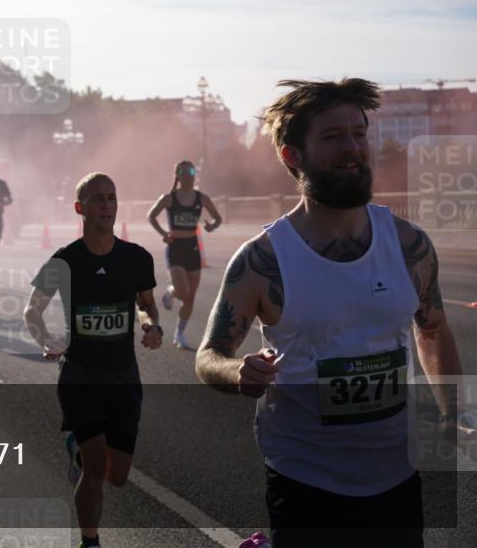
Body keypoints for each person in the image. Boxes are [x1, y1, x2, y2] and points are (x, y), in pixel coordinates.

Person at [195, 78, 469, 548]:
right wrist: (237, 370)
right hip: (305, 481)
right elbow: (208, 355)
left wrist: (451, 413)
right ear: (293, 156)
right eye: (333, 136)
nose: (352, 147)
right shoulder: (263, 260)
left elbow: (432, 330)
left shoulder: (410, 245)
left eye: (359, 133)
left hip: (397, 474)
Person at [24, 172, 162, 548]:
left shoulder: (136, 258)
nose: (106, 205)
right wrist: (47, 341)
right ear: (79, 208)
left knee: (117, 476)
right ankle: (90, 541)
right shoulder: (65, 260)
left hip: (124, 375)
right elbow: (32, 310)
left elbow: (146, 305)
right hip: (80, 375)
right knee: (97, 469)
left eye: (111, 197)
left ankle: (79, 456)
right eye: (97, 198)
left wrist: (151, 326)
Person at [146, 160, 222, 349]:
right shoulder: (169, 198)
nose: (189, 175)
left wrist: (211, 226)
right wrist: (163, 234)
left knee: (190, 297)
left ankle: (179, 334)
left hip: (193, 249)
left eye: (192, 171)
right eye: (184, 172)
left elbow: (218, 218)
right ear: (177, 176)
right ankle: (171, 292)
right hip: (175, 248)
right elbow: (151, 215)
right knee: (183, 291)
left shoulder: (201, 198)